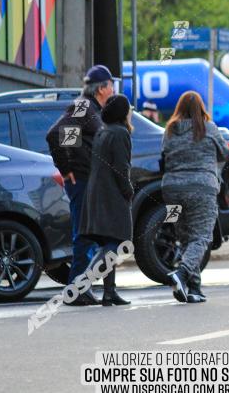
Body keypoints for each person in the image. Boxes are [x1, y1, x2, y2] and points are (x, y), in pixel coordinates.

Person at [46, 64, 116, 306]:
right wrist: (67, 169)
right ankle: (76, 290)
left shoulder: (91, 109)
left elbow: (70, 139)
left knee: (88, 234)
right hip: (83, 181)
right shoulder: (83, 106)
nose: (114, 88)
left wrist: (75, 160)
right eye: (111, 84)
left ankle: (81, 288)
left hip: (89, 180)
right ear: (103, 88)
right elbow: (55, 134)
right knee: (84, 234)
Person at [162, 91, 229, 304]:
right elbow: (226, 153)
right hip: (201, 188)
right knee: (201, 237)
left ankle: (194, 289)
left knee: (185, 238)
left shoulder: (170, 130)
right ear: (201, 108)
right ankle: (181, 274)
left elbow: (163, 154)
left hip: (171, 188)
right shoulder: (209, 128)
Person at [78, 95, 134, 306]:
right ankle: (83, 285)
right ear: (123, 113)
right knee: (116, 242)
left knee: (110, 240)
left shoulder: (104, 130)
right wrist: (128, 190)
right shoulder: (120, 133)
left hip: (97, 191)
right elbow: (121, 167)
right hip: (112, 193)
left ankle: (109, 292)